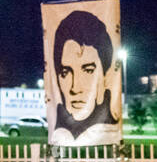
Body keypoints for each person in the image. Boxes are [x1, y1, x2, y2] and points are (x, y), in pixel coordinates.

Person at [50, 10, 120, 143]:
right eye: (65, 72)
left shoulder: (110, 129)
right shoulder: (58, 131)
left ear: (105, 75)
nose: (75, 88)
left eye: (88, 71)